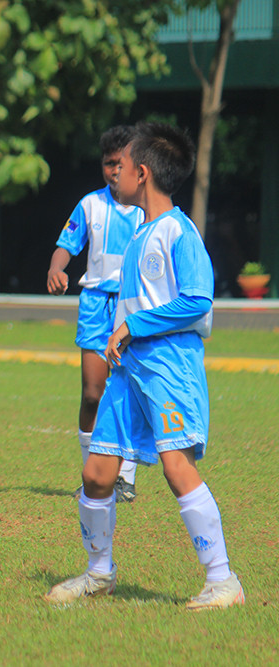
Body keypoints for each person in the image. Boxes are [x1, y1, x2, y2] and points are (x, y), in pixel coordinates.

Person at [44, 122, 243, 610]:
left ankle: (223, 582)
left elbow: (198, 300)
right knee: (96, 472)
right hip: (128, 372)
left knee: (177, 467)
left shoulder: (178, 231)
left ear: (143, 171)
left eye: (122, 166)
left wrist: (135, 326)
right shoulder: (142, 231)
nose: (113, 175)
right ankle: (98, 574)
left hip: (169, 369)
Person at [46, 126, 144, 502]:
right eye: (109, 164)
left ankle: (126, 478)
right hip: (95, 304)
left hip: (132, 306)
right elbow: (65, 245)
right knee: (92, 393)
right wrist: (57, 268)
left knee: (129, 389)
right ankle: (93, 474)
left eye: (121, 163)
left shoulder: (147, 209)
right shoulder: (90, 205)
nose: (115, 171)